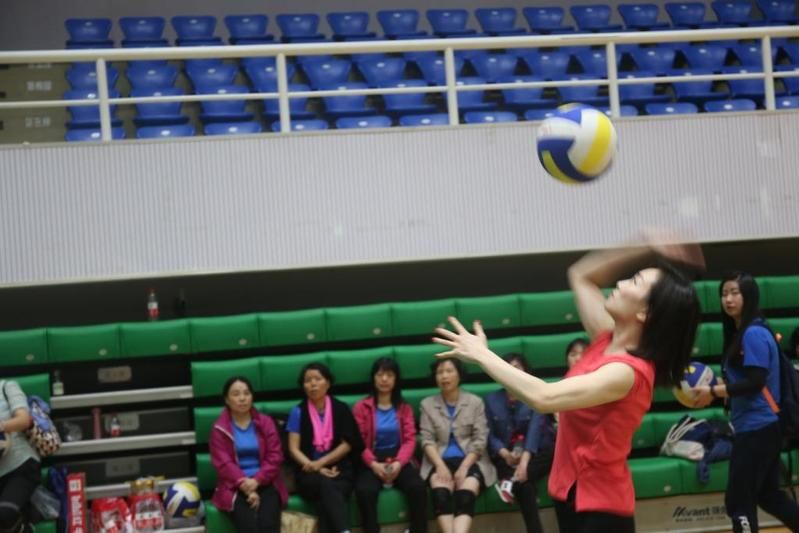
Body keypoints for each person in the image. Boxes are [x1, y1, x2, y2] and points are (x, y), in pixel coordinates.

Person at [432, 234, 704, 532]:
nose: (621, 282)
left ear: (644, 313)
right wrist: (645, 244)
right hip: (572, 494)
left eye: (635, 281)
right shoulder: (607, 339)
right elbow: (582, 275)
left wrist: (482, 355)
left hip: (600, 507)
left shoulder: (627, 372)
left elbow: (544, 397)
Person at [692, 272, 799, 533]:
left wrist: (714, 391)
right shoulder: (743, 332)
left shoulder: (752, 333)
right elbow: (745, 379)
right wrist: (717, 385)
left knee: (739, 501)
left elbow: (756, 382)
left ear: (748, 295)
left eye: (734, 293)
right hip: (760, 427)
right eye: (724, 294)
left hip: (758, 428)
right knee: (767, 494)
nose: (728, 299)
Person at [419, 358, 496, 533]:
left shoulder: (475, 402)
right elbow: (427, 440)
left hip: (471, 460)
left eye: (449, 371)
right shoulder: (427, 405)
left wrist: (464, 467)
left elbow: (480, 440)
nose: (444, 376)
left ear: (459, 375)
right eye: (440, 372)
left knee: (466, 496)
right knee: (440, 495)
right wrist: (440, 466)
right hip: (439, 460)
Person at [352, 357, 428, 533]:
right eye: (380, 375)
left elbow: (410, 439)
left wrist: (399, 463)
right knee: (365, 491)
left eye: (389, 375)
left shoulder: (404, 408)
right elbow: (359, 441)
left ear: (396, 379)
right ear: (373, 378)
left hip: (399, 459)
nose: (384, 379)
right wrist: (373, 464)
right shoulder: (361, 407)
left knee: (417, 488)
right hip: (370, 461)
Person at [287, 362, 362, 533]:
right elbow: (293, 449)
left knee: (327, 496)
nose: (312, 384)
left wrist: (321, 463)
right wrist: (317, 468)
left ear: (328, 383)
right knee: (326, 486)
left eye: (317, 379)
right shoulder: (297, 412)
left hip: (339, 469)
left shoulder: (341, 409)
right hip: (308, 471)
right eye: (308, 380)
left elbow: (347, 444)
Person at [485, 353, 554, 533]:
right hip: (507, 456)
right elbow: (489, 434)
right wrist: (504, 453)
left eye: (517, 367)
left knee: (552, 452)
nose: (512, 372)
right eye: (507, 367)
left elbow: (534, 431)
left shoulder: (535, 397)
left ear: (526, 372)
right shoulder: (491, 400)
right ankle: (515, 481)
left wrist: (524, 463)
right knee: (526, 486)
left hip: (534, 453)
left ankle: (511, 482)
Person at [209, 376, 287, 533]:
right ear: (227, 400)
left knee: (268, 525)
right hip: (234, 485)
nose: (242, 398)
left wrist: (257, 481)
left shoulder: (265, 422)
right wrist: (247, 487)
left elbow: (275, 456)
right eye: (236, 394)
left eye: (246, 393)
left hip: (266, 481)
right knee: (249, 527)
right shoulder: (219, 429)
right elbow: (224, 464)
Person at [0, 379, 39, 533]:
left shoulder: (6, 386)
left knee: (4, 514)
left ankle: (25, 525)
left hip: (21, 467)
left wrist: (2, 426)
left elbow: (24, 420)